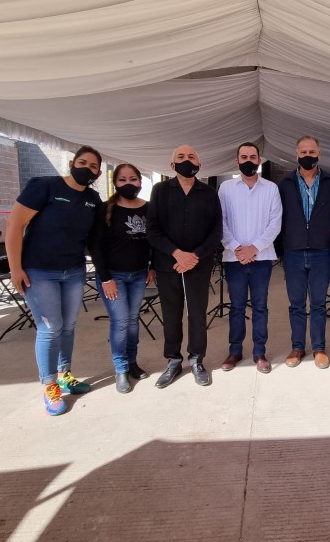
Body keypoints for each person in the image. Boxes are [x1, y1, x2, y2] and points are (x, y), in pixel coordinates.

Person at [5, 145, 103, 416]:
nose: (87, 168)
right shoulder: (45, 186)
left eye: (93, 166)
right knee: (50, 328)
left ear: (97, 173)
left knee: (68, 326)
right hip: (39, 270)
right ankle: (49, 385)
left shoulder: (93, 199)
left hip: (73, 270)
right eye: (83, 162)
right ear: (72, 163)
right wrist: (15, 268)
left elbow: (95, 237)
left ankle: (64, 374)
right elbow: (15, 224)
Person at [147, 145, 222, 388]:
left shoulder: (209, 193)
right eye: (180, 157)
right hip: (168, 263)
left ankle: (197, 359)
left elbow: (216, 232)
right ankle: (173, 360)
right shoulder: (160, 191)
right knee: (171, 314)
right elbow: (152, 230)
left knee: (198, 313)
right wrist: (177, 254)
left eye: (191, 157)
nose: (186, 160)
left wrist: (194, 256)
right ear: (172, 165)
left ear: (199, 165)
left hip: (199, 263)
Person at [89, 164, 154, 394]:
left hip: (138, 274)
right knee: (120, 322)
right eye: (123, 179)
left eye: (133, 179)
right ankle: (121, 369)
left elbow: (154, 240)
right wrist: (105, 277)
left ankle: (132, 362)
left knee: (133, 320)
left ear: (140, 182)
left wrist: (153, 267)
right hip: (113, 276)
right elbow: (95, 245)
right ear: (115, 183)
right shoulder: (105, 209)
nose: (128, 183)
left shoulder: (148, 208)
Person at [218, 143, 282, 374]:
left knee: (260, 307)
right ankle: (235, 351)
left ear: (259, 160)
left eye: (252, 157)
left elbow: (275, 222)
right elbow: (220, 221)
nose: (248, 160)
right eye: (244, 157)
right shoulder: (226, 188)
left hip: (262, 258)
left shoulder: (271, 188)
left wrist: (254, 248)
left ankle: (259, 352)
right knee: (236, 307)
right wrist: (237, 248)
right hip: (233, 258)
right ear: (237, 161)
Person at [278, 135, 330, 369]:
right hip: (293, 251)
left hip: (321, 251)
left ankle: (319, 348)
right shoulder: (285, 183)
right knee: (296, 304)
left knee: (319, 303)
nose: (307, 156)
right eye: (303, 152)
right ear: (296, 154)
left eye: (312, 152)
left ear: (319, 154)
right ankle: (297, 347)